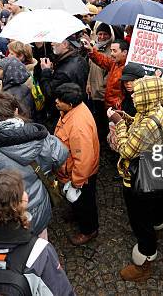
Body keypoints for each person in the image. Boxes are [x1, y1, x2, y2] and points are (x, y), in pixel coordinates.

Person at [0, 92, 68, 238]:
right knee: (40, 243)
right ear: (16, 111)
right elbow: (61, 154)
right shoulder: (40, 135)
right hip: (39, 206)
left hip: (9, 213)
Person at [111, 76, 163, 282]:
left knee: (139, 219)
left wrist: (118, 124)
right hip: (153, 171)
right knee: (153, 207)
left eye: (137, 93)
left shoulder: (148, 124)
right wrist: (126, 117)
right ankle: (157, 223)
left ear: (147, 96)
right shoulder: (156, 109)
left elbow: (126, 150)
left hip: (139, 179)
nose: (133, 96)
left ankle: (145, 257)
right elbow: (138, 122)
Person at [54, 83, 100, 246]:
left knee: (85, 203)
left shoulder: (78, 126)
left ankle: (89, 230)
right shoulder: (72, 110)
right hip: (73, 172)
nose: (56, 102)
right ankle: (76, 213)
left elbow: (83, 159)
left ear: (71, 104)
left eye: (60, 100)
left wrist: (77, 181)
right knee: (79, 202)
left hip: (81, 175)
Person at [39, 35, 89, 125]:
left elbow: (49, 93)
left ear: (65, 44)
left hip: (63, 114)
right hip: (78, 109)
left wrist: (46, 72)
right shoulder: (80, 59)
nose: (52, 43)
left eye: (55, 40)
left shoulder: (64, 71)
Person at [83, 38, 129, 110]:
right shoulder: (114, 63)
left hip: (119, 111)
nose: (111, 54)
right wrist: (91, 50)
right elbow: (103, 60)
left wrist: (119, 108)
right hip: (109, 108)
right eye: (111, 50)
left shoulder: (129, 69)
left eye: (114, 51)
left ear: (124, 52)